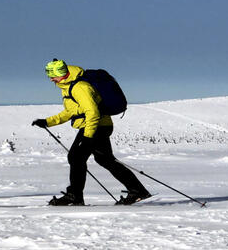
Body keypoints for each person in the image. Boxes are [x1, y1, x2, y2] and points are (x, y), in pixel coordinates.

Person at [32, 59, 151, 206]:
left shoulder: (79, 87)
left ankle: (74, 196)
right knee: (104, 160)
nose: (51, 79)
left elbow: (92, 112)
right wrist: (47, 122)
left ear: (62, 74)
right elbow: (71, 111)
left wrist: (88, 136)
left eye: (52, 75)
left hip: (95, 126)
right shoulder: (68, 86)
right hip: (99, 126)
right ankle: (137, 190)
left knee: (76, 157)